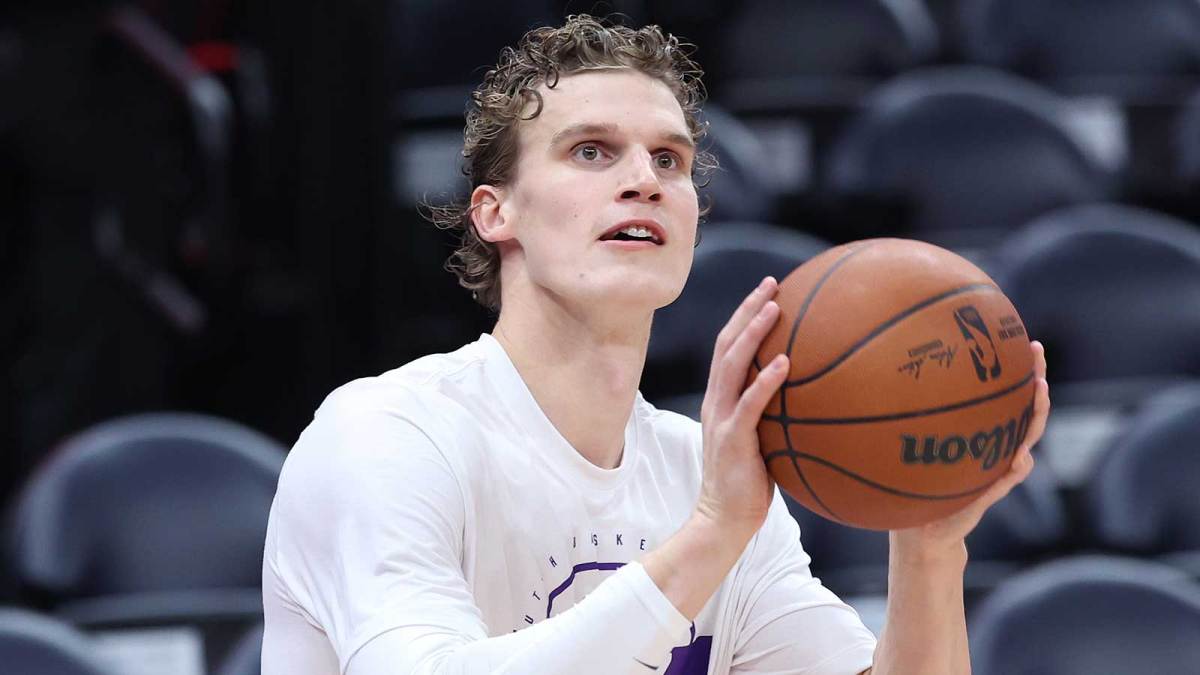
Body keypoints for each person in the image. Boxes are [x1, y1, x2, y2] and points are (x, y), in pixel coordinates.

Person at [260, 15, 1051, 675]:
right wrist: (710, 531)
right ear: (495, 213)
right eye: (591, 151)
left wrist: (928, 544)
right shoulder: (385, 435)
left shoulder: (705, 473)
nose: (644, 178)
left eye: (668, 159)